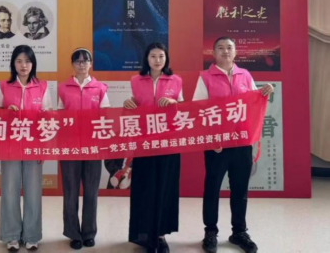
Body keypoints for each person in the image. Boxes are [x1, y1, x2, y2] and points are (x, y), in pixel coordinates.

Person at [194, 37, 274, 253]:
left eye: (229, 48)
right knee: (212, 188)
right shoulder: (205, 77)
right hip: (217, 144)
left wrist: (264, 91)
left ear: (236, 52)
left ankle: (239, 231)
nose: (225, 51)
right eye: (220, 48)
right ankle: (210, 231)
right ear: (213, 53)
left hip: (242, 142)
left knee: (240, 188)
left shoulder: (245, 75)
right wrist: (211, 138)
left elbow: (254, 103)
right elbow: (199, 110)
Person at [123, 42, 182, 253]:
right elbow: (134, 107)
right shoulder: (135, 81)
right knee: (145, 188)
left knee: (165, 188)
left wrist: (174, 103)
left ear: (166, 59)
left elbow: (184, 110)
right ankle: (145, 235)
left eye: (161, 56)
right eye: (153, 56)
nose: (157, 60)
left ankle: (161, 236)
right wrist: (128, 103)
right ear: (146, 59)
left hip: (168, 142)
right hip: (144, 142)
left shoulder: (176, 80)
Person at [0, 45, 52, 251]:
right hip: (10, 146)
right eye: (19, 61)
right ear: (13, 64)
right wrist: (6, 112)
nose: (23, 65)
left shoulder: (42, 86)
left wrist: (43, 147)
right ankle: (11, 235)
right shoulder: (4, 86)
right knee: (9, 190)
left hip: (33, 147)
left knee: (33, 191)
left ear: (33, 63)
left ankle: (31, 235)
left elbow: (48, 118)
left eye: (27, 61)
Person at [58, 48, 109, 250]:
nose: (81, 64)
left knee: (91, 192)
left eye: (85, 60)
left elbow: (106, 116)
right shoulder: (63, 88)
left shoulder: (100, 88)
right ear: (72, 64)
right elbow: (59, 118)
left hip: (93, 148)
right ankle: (73, 233)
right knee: (70, 192)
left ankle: (89, 232)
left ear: (91, 63)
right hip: (70, 148)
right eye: (77, 61)